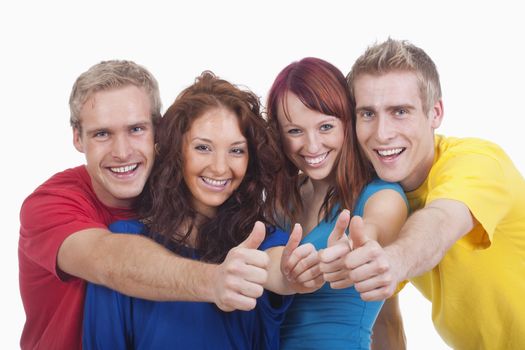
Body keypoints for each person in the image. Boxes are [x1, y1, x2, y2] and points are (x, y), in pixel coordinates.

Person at [18, 61, 293, 350]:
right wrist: (214, 281)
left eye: (136, 129)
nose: (122, 152)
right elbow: (109, 261)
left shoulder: (180, 190)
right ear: (77, 137)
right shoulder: (51, 203)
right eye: (102, 134)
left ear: (159, 132)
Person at [83, 71, 321, 349]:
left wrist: (295, 273)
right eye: (203, 148)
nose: (220, 167)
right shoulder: (124, 244)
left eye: (236, 151)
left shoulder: (263, 241)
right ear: (176, 151)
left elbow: (275, 269)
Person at [322, 38, 525, 349]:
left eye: (400, 111)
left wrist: (393, 259)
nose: (382, 133)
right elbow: (386, 319)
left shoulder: (479, 162)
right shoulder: (378, 197)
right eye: (367, 114)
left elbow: (441, 220)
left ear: (435, 112)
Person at [266, 57, 409, 349]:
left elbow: (376, 229)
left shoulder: (382, 194)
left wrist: (360, 246)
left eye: (326, 127)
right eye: (295, 131)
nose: (313, 146)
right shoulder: (280, 200)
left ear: (348, 123)